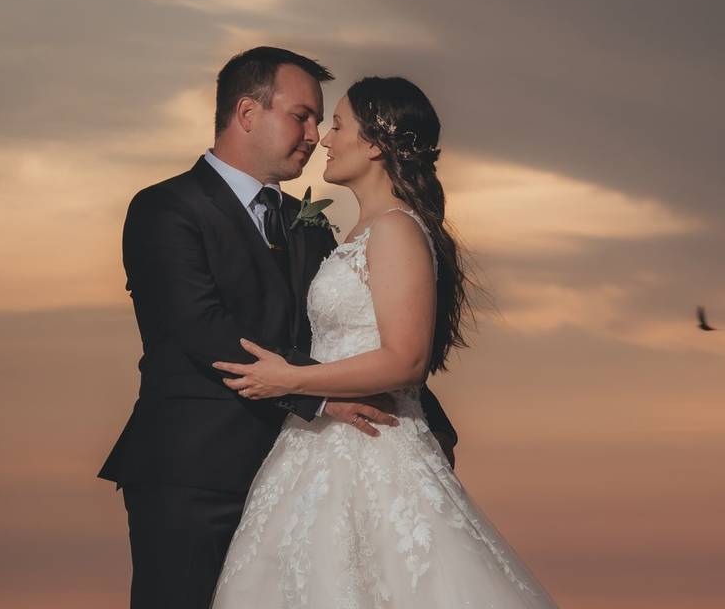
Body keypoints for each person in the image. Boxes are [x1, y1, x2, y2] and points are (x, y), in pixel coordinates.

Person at [97, 48, 457, 609]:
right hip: (195, 474)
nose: (315, 134)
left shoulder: (309, 225)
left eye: (322, 121)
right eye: (302, 116)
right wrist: (316, 395)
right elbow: (201, 327)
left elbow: (353, 331)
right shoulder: (166, 208)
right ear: (246, 112)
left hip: (299, 479)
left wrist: (426, 425)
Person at [209, 76, 557, 608]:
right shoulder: (358, 232)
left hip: (372, 448)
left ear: (374, 144)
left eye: (339, 125)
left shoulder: (396, 230)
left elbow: (406, 359)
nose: (324, 138)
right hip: (318, 446)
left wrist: (293, 379)